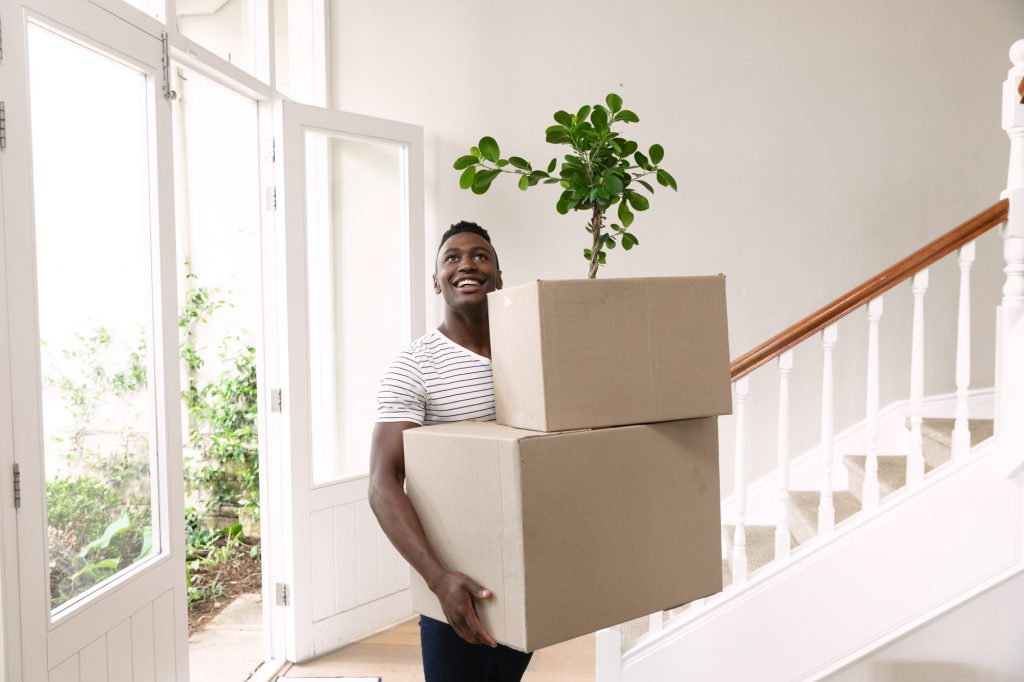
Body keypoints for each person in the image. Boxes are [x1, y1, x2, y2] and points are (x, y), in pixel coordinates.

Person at [368, 221, 533, 681]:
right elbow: (382, 482)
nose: (466, 264)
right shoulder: (414, 365)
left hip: (523, 569)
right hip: (453, 579)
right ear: (437, 280)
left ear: (499, 277)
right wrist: (437, 578)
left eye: (480, 256)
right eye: (452, 257)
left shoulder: (531, 353)